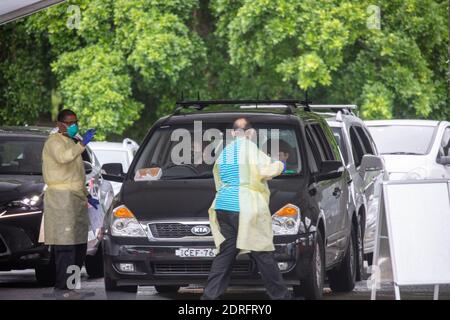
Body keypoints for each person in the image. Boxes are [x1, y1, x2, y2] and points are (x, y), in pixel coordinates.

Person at [201, 118, 291, 300]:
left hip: (222, 206)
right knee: (262, 251)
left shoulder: (224, 152)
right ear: (250, 133)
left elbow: (218, 180)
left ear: (234, 133)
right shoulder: (250, 148)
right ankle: (281, 297)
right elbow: (266, 171)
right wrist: (281, 164)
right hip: (245, 207)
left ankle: (210, 297)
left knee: (226, 253)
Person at [42, 109, 97, 299]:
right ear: (59, 124)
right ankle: (62, 289)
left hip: (75, 197)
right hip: (61, 199)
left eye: (75, 121)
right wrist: (82, 143)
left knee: (79, 245)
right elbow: (64, 158)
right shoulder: (54, 142)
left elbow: (75, 175)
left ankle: (72, 287)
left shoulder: (71, 142)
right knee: (65, 245)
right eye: (69, 122)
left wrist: (87, 194)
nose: (73, 125)